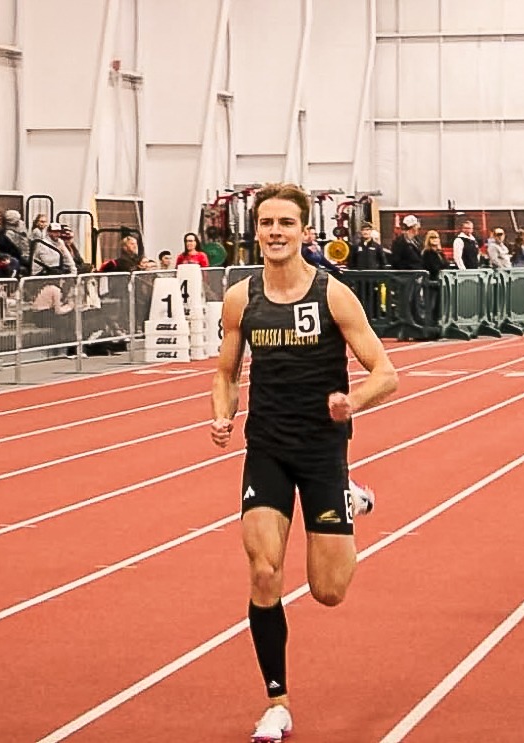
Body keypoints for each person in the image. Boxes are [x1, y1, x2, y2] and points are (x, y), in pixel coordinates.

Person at [209, 182, 398, 742]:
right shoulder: (241, 298)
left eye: (285, 224)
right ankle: (277, 702)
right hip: (266, 447)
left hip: (321, 451)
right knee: (264, 571)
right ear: (256, 231)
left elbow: (385, 373)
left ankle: (349, 498)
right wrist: (223, 413)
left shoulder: (333, 295)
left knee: (328, 592)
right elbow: (225, 370)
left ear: (304, 233)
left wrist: (351, 402)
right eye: (266, 223)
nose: (274, 232)